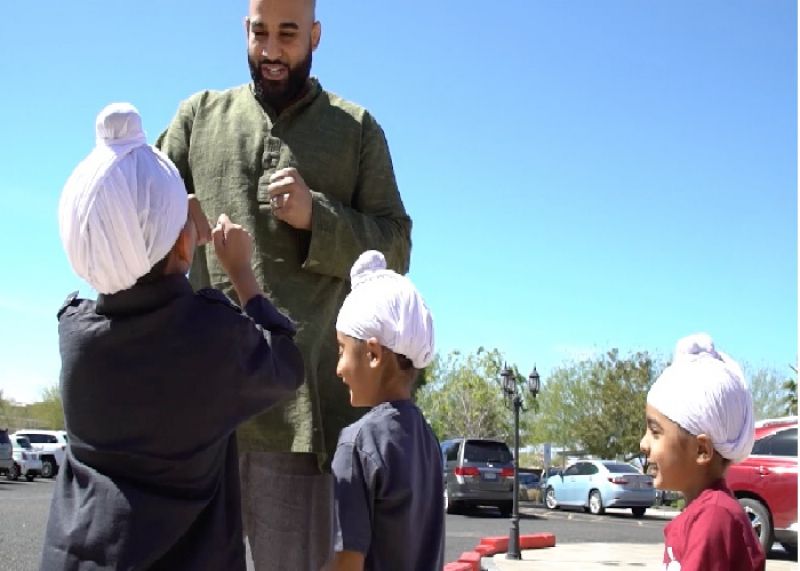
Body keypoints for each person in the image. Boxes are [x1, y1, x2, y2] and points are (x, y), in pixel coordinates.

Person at [156, 0, 412, 567]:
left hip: (301, 421)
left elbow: (397, 245)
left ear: (316, 35)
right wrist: (170, 213)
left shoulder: (356, 130)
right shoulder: (198, 115)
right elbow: (135, 205)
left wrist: (318, 218)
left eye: (288, 34)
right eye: (259, 32)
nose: (271, 50)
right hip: (200, 417)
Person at [41, 102, 304, 570]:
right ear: (185, 245)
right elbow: (286, 363)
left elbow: (126, 268)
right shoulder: (211, 336)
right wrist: (243, 275)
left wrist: (165, 229)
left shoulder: (74, 333)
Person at [331, 250, 443, 570]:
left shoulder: (357, 443)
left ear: (374, 354)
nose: (338, 368)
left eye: (341, 350)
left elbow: (346, 563)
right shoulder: (428, 441)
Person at [640, 333, 766, 571]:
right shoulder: (706, 512)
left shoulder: (713, 518)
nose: (643, 444)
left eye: (655, 432)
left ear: (702, 450)